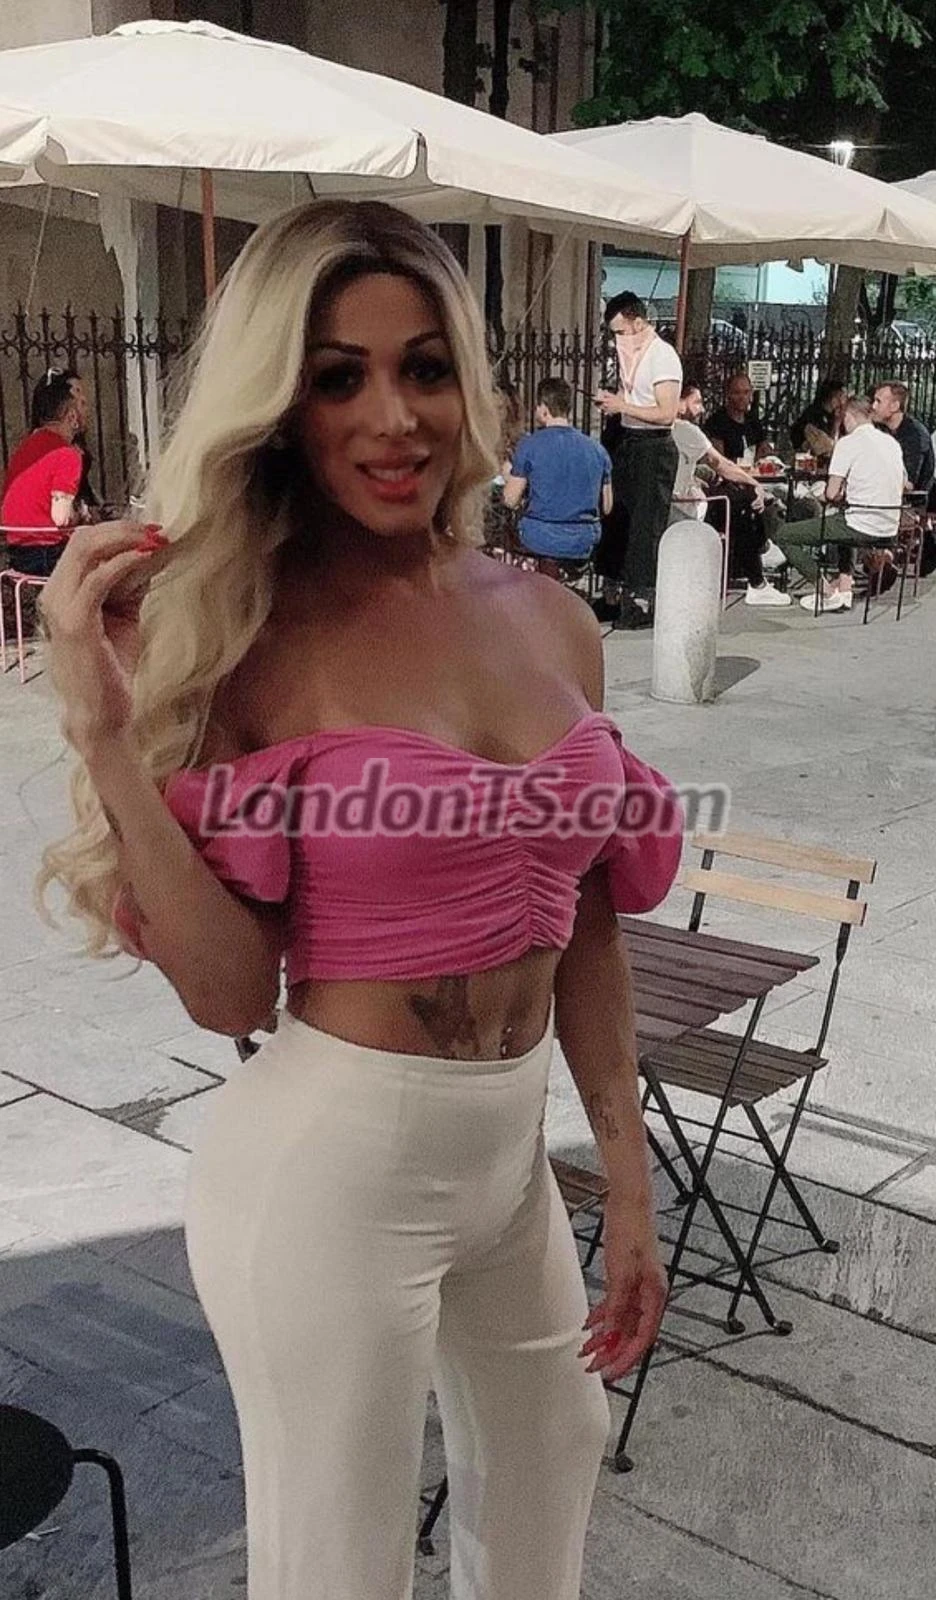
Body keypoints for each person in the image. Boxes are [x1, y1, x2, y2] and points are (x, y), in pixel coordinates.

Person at [36, 200, 681, 1600]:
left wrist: (627, 1176)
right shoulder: (247, 635)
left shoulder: (551, 617)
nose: (393, 417)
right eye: (339, 377)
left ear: (467, 385)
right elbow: (228, 993)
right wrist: (103, 737)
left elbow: (589, 923)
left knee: (554, 1459)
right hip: (332, 1169)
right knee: (340, 1567)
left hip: (508, 1157)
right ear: (283, 407)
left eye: (424, 368)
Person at [592, 291, 682, 629]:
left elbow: (666, 412)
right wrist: (615, 404)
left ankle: (641, 600)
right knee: (617, 518)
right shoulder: (629, 356)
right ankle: (612, 593)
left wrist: (624, 406)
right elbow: (632, 397)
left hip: (652, 446)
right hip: (627, 439)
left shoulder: (662, 357)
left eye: (621, 332)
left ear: (639, 323)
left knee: (645, 525)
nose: (618, 340)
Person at [776, 394, 905, 613]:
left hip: (860, 524)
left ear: (848, 417)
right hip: (890, 525)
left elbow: (831, 493)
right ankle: (845, 586)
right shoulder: (891, 443)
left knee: (784, 535)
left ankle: (826, 590)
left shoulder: (848, 443)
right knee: (843, 519)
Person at [673, 383, 789, 606]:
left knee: (740, 497)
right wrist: (754, 484)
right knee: (744, 502)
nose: (702, 409)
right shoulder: (686, 430)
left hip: (675, 499)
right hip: (683, 504)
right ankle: (758, 578)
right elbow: (721, 464)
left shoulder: (658, 430)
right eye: (696, 402)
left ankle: (761, 553)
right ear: (678, 402)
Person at [503, 376, 613, 569]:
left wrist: (507, 475)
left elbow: (510, 500)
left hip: (539, 537)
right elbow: (607, 506)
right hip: (584, 540)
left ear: (544, 409)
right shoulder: (597, 450)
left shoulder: (529, 446)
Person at [1, 367, 89, 576]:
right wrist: (80, 513)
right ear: (72, 416)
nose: (88, 412)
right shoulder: (67, 454)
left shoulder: (28, 445)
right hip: (47, 553)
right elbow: (61, 518)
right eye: (83, 405)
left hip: (17, 551)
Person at [870, 380, 935, 494]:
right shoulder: (880, 428)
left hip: (911, 501)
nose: (873, 406)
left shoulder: (915, 435)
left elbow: (909, 483)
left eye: (878, 401)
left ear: (895, 406)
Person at [705, 371, 773, 465]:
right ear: (728, 394)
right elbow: (717, 459)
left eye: (746, 392)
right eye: (737, 392)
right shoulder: (717, 422)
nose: (742, 397)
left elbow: (765, 450)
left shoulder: (753, 421)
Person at [789, 378, 846, 461]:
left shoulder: (832, 416)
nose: (843, 401)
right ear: (833, 398)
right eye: (840, 396)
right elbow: (825, 446)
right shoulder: (814, 415)